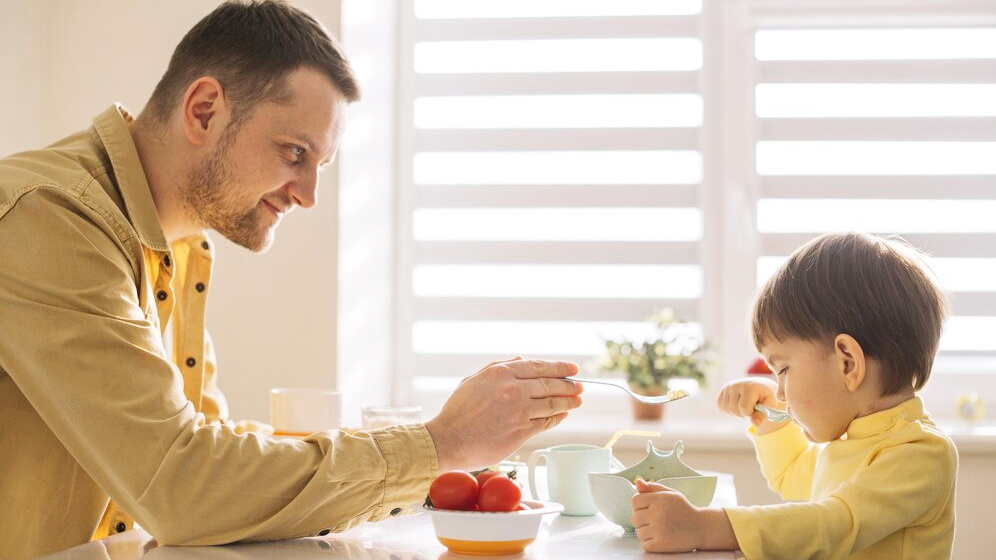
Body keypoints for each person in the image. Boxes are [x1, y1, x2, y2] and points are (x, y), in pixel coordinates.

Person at [0, 2, 582, 558]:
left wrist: (429, 472)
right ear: (204, 109)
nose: (306, 195)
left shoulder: (180, 241)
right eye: (293, 152)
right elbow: (182, 488)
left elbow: (203, 447)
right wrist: (439, 445)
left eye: (319, 165)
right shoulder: (50, 217)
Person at [631, 232, 957, 559]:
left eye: (783, 369)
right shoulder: (851, 442)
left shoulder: (920, 455)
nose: (781, 392)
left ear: (848, 363)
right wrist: (770, 422)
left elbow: (834, 522)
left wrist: (705, 527)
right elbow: (793, 476)